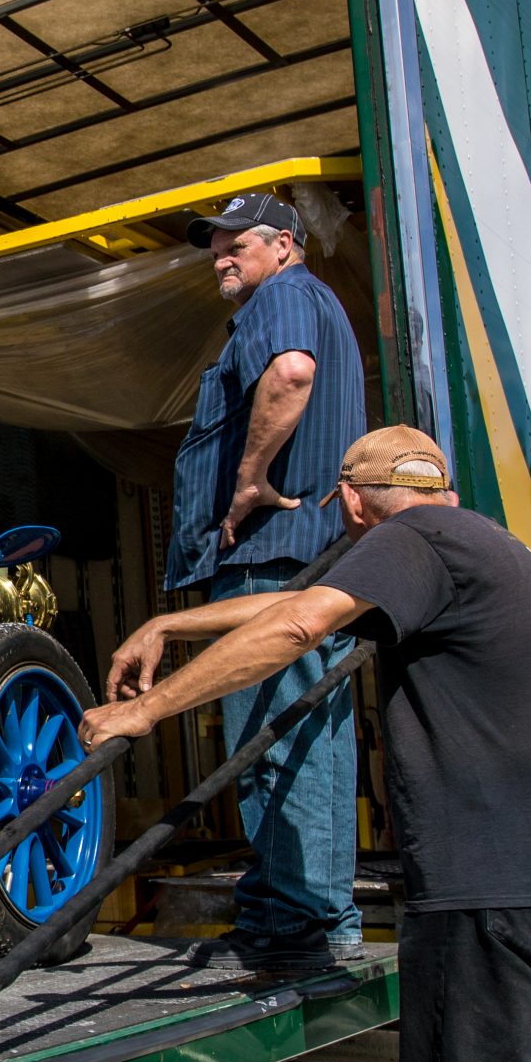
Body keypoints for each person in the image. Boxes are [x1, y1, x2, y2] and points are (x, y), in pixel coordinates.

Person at [84, 427, 531, 1062]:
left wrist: (145, 712)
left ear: (349, 503)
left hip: (490, 897)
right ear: (440, 484)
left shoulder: (413, 541)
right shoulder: (494, 550)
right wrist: (172, 622)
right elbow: (298, 608)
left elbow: (299, 623)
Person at [161, 191, 369, 971]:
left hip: (276, 555)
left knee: (276, 739)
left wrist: (248, 480)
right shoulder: (310, 299)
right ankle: (313, 911)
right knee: (304, 732)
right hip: (302, 556)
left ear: (284, 244)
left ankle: (296, 920)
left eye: (235, 243)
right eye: (214, 246)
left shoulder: (283, 297)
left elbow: (289, 372)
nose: (221, 256)